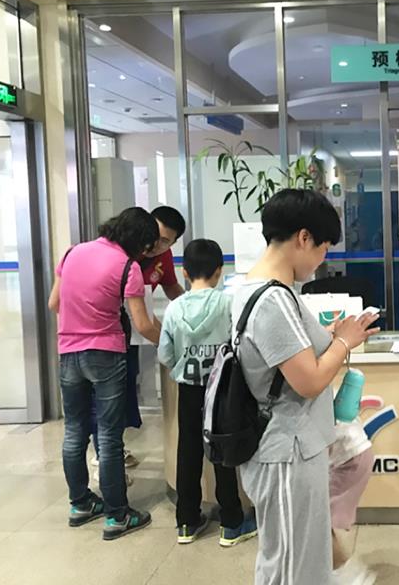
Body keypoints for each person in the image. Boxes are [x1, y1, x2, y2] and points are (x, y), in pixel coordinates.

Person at [233, 189, 379, 585]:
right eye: (324, 247)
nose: (322, 258)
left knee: (301, 558)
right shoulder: (272, 300)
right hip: (286, 452)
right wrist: (344, 342)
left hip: (292, 448)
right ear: (303, 238)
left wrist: (330, 337)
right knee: (289, 567)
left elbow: (288, 359)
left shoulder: (261, 291)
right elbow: (309, 380)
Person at [47, 207, 162, 541]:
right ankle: (117, 515)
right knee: (109, 436)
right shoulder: (128, 267)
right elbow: (142, 324)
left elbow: (55, 303)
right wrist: (169, 342)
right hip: (106, 354)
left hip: (68, 352)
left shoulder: (72, 253)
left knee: (74, 431)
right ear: (139, 242)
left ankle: (81, 504)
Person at [157, 238, 257, 547]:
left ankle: (187, 521)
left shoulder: (174, 308)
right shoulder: (227, 304)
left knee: (188, 451)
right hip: (223, 389)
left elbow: (165, 354)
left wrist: (182, 367)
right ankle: (231, 523)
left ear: (184, 272)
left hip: (189, 388)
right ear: (219, 271)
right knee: (222, 449)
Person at [91, 205, 186, 477]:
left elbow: (170, 286)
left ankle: (113, 448)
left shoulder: (162, 256)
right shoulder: (122, 255)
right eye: (157, 238)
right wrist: (165, 342)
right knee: (106, 394)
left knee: (124, 389)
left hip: (132, 333)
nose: (158, 246)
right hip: (107, 333)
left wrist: (195, 303)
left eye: (167, 242)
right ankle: (103, 453)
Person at [330, 416, 376, 585]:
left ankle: (347, 576)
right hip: (353, 455)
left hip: (348, 460)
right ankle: (344, 573)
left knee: (318, 523)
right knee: (319, 522)